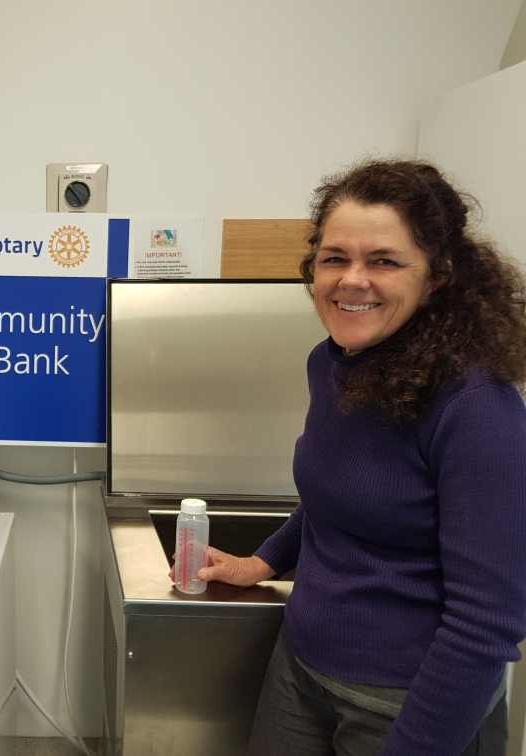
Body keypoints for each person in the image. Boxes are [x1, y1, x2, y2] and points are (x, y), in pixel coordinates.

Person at [188, 159, 526, 755]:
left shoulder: (475, 405)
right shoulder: (331, 363)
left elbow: (486, 623)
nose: (352, 279)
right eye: (335, 258)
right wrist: (263, 562)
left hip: (408, 705)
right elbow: (330, 495)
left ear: (438, 275)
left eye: (384, 261)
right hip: (301, 670)